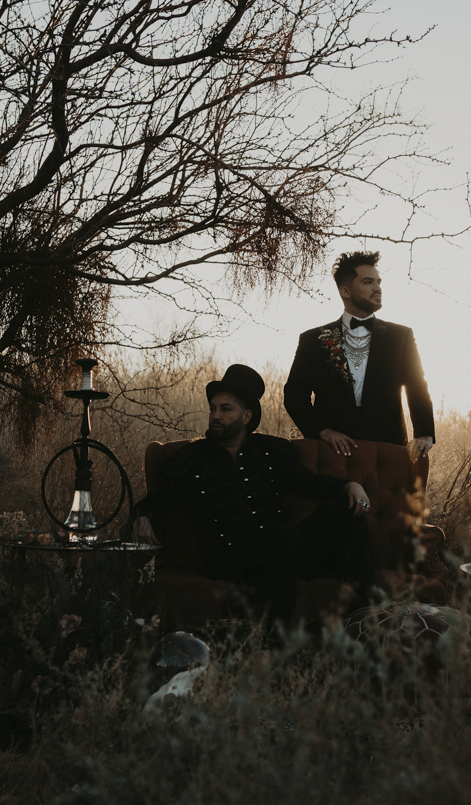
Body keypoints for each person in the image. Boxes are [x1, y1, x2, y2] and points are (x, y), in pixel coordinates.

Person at [135, 364, 376, 628]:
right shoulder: (193, 460)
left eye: (225, 409)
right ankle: (277, 637)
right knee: (282, 534)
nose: (215, 415)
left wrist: (349, 485)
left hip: (285, 551)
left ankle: (365, 620)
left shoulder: (269, 453)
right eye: (213, 408)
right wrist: (142, 517)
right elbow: (155, 501)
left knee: (345, 510)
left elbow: (310, 483)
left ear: (246, 416)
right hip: (232, 560)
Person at [283, 251, 435, 459]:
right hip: (330, 453)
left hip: (388, 451)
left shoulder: (401, 336)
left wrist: (425, 433)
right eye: (368, 282)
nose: (377, 288)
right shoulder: (313, 339)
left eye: (378, 282)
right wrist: (323, 431)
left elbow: (417, 386)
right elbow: (294, 395)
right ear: (345, 291)